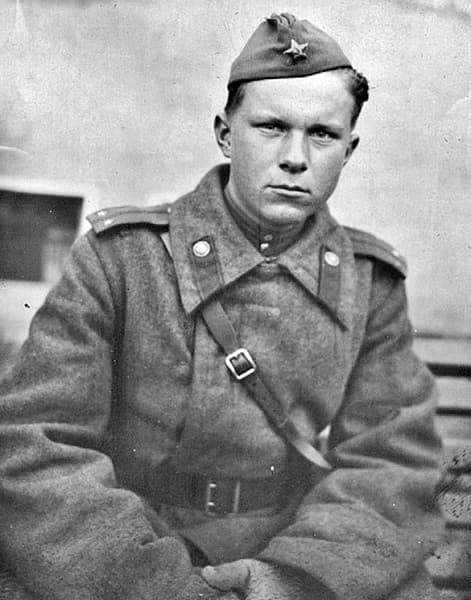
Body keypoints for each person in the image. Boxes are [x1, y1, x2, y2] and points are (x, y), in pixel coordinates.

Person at [0, 12, 444, 600]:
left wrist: (291, 580)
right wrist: (156, 584)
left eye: (322, 134)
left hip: (295, 547)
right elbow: (37, 443)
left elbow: (392, 463)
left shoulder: (370, 283)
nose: (295, 157)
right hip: (126, 545)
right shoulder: (122, 259)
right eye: (270, 127)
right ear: (225, 134)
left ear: (349, 149)